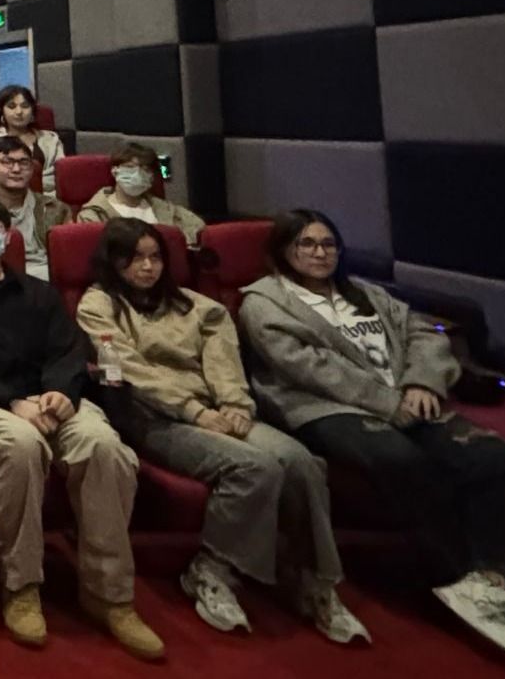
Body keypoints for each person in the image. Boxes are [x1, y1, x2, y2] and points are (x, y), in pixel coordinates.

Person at [238, 209, 505, 659]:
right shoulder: (265, 302)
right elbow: (309, 368)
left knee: (498, 459)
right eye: (307, 244)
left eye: (328, 244)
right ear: (284, 250)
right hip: (326, 406)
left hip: (410, 398)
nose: (320, 253)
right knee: (401, 460)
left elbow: (425, 334)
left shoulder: (366, 294)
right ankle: (455, 574)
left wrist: (423, 382)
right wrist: (388, 403)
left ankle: (492, 578)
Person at [75, 218, 367, 644]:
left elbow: (223, 360)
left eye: (155, 257)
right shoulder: (98, 304)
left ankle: (313, 580)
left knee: (300, 462)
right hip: (154, 416)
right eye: (135, 258)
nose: (147, 267)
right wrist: (194, 411)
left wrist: (234, 404)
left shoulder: (196, 305)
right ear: (113, 261)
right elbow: (130, 370)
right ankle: (212, 569)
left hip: (217, 408)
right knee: (254, 468)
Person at [0, 196, 161, 659]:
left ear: (9, 234)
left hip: (50, 400)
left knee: (103, 445)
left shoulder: (39, 293)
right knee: (22, 444)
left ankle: (110, 594)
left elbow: (67, 350)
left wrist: (61, 393)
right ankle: (22, 586)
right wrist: (13, 402)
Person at [0, 137, 70, 280]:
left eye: (23, 162)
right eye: (7, 162)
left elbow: (67, 258)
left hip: (45, 277)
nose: (16, 169)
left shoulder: (54, 209)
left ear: (32, 169)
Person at [74, 143, 206, 245]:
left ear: (152, 177)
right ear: (115, 171)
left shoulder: (165, 209)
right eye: (130, 167)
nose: (137, 174)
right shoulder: (93, 215)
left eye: (145, 169)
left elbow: (199, 228)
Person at [0, 85, 64, 194]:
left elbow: (61, 175)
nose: (19, 111)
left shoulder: (51, 139)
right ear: (2, 112)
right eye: (12, 106)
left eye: (25, 106)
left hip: (49, 196)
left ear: (32, 111)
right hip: (7, 197)